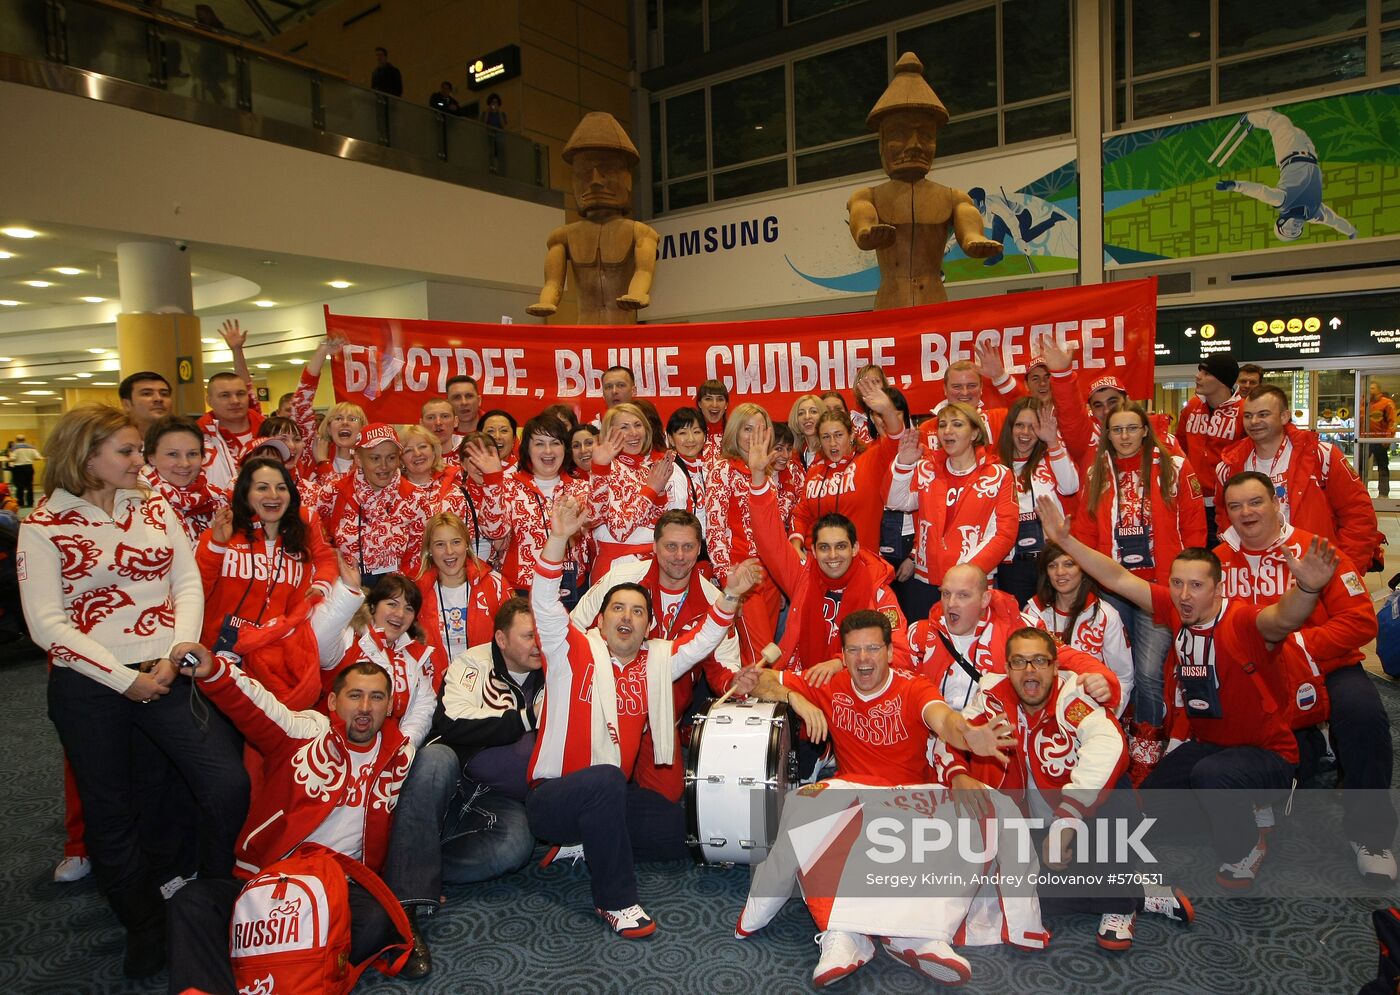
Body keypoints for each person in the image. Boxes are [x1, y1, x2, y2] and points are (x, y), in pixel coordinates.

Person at [19, 404, 248, 979]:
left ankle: (210, 893)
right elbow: (47, 626)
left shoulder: (150, 501)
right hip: (92, 686)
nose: (139, 460)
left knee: (223, 780)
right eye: (126, 450)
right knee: (112, 811)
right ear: (85, 456)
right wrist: (127, 679)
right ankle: (144, 925)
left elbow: (185, 577)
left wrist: (179, 649)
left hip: (166, 670)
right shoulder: (43, 526)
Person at [1038, 493, 1339, 888]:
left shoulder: (1243, 621)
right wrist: (1067, 540)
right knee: (1155, 807)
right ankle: (1241, 808)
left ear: (1217, 589)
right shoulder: (1176, 610)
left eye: (1196, 585)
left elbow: (1284, 617)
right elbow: (1116, 577)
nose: (1183, 594)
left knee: (1212, 778)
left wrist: (1307, 589)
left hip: (1268, 754)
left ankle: (1249, 843)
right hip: (1210, 744)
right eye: (1177, 583)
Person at [739, 610, 1029, 986]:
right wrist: (798, 699)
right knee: (806, 806)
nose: (864, 659)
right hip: (854, 790)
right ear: (842, 656)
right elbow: (757, 681)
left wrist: (967, 735)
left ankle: (924, 937)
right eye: (854, 651)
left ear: (890, 652)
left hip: (911, 795)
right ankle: (843, 935)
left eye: (873, 648)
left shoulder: (914, 686)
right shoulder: (831, 682)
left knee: (970, 818)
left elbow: (943, 719)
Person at [526, 496, 761, 937]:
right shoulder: (569, 651)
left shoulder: (656, 663)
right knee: (607, 780)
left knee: (677, 834)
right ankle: (616, 901)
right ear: (600, 618)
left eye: (638, 611)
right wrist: (557, 539)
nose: (627, 617)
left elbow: (701, 641)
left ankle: (586, 843)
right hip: (553, 799)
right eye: (618, 608)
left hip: (607, 797)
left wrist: (729, 595)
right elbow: (543, 603)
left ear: (648, 626)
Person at [166, 657, 421, 990]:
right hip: (268, 880)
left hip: (338, 888)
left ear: (389, 707)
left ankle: (279, 970)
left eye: (376, 698)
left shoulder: (401, 757)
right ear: (333, 701)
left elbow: (415, 827)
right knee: (192, 901)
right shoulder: (303, 733)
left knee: (375, 922)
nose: (364, 706)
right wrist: (214, 670)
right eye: (354, 695)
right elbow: (255, 704)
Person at [938, 628, 1194, 951]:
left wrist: (1067, 821)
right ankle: (1131, 890)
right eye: (1019, 662)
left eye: (1039, 661)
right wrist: (958, 774)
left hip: (1084, 818)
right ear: (1007, 668)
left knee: (1118, 797)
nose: (1030, 671)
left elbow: (1109, 744)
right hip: (1035, 826)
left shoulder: (1074, 696)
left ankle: (1119, 905)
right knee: (1020, 893)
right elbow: (947, 735)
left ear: (1055, 667)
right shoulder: (991, 697)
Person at [1215, 470, 1394, 880]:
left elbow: (1361, 622)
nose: (1246, 513)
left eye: (1255, 502)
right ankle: (1263, 804)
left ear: (1276, 503)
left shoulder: (1318, 551)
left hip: (1325, 668)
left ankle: (1371, 834)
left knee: (1364, 715)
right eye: (1235, 506)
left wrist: (1299, 647)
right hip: (1255, 677)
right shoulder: (1219, 561)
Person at [383, 597, 543, 978]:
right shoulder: (472, 662)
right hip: (452, 773)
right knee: (435, 760)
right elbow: (453, 723)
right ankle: (403, 909)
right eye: (529, 635)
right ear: (501, 639)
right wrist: (524, 719)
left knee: (516, 849)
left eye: (541, 633)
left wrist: (497, 725)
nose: (539, 642)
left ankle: (410, 865)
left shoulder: (556, 666)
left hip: (498, 795)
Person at [571, 509, 740, 802]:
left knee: (667, 807)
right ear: (655, 545)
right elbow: (574, 632)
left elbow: (724, 671)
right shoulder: (621, 578)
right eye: (670, 546)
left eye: (688, 547)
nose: (679, 555)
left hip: (661, 724)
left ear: (699, 549)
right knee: (591, 794)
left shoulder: (716, 603)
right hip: (605, 713)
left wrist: (738, 683)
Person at [1073, 403, 1205, 776]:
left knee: (1148, 672)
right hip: (1111, 587)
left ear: (1146, 431)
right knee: (1116, 668)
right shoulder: (1096, 472)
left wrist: (1187, 582)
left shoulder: (1176, 468)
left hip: (1157, 590)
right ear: (1108, 435)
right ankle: (1117, 742)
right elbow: (1084, 529)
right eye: (1118, 430)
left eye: (1133, 428)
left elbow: (1195, 527)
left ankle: (1148, 754)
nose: (1126, 436)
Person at [745, 420, 910, 675]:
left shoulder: (879, 591)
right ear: (813, 550)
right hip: (803, 688)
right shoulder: (803, 575)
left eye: (841, 546)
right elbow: (770, 541)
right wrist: (758, 478)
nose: (832, 556)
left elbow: (900, 654)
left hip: (855, 694)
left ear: (855, 548)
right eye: (823, 548)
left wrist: (841, 662)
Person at [847, 52, 1000, 310]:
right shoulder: (869, 195)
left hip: (933, 297)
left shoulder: (952, 197)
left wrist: (972, 237)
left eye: (926, 136)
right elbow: (862, 214)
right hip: (890, 300)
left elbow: (967, 215)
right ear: (882, 142)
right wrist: (866, 232)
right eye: (899, 134)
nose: (915, 145)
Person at [197, 456, 338, 709]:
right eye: (262, 487)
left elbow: (327, 559)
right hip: (217, 657)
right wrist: (216, 545)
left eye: (281, 487)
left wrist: (320, 588)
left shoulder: (300, 536)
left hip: (271, 663)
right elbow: (197, 591)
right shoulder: (222, 534)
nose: (273, 495)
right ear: (245, 494)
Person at [905, 563, 1121, 714]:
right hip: (934, 742)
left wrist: (1103, 679)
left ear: (984, 599)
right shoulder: (920, 634)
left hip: (996, 742)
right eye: (946, 594)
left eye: (963, 595)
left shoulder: (1018, 626)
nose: (951, 603)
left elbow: (1068, 657)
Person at [1217, 384, 1382, 572]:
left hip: (1314, 569)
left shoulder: (1321, 456)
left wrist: (1345, 570)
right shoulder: (1230, 465)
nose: (1254, 421)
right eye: (1248, 416)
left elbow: (1358, 516)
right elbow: (1224, 516)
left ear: (1284, 416)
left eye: (1263, 414)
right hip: (1259, 576)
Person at [888, 400, 1018, 622]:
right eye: (942, 425)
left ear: (975, 433)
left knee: (972, 649)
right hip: (925, 582)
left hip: (972, 585)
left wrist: (964, 576)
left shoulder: (999, 475)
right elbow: (898, 503)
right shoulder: (926, 467)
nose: (947, 431)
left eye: (957, 424)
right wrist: (904, 466)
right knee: (926, 648)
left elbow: (1004, 535)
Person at [525, 114, 660, 325]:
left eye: (607, 170)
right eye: (584, 172)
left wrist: (638, 293)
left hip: (622, 330)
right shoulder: (563, 236)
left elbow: (643, 271)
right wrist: (547, 301)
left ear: (627, 179)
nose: (595, 181)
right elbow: (553, 282)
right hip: (584, 330)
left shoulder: (639, 232)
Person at [315, 572, 438, 749]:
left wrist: (401, 748)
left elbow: (423, 709)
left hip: (388, 754)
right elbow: (318, 640)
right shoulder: (348, 638)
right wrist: (348, 590)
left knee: (439, 756)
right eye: (392, 604)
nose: (400, 614)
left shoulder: (415, 655)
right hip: (332, 747)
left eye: (409, 609)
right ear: (373, 607)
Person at [472, 418, 591, 602]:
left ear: (564, 448)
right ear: (527, 448)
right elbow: (494, 531)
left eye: (555, 443)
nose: (548, 451)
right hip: (522, 590)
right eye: (539, 444)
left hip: (573, 588)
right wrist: (493, 481)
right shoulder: (508, 486)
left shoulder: (582, 488)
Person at [790, 378, 905, 557]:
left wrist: (888, 410)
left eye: (838, 435)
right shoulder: (815, 471)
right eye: (826, 437)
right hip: (820, 567)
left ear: (851, 435)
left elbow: (897, 439)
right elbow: (802, 513)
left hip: (863, 566)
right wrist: (796, 545)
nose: (833, 443)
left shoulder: (871, 459)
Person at [704, 403, 782, 662]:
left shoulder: (768, 473)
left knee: (767, 654)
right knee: (757, 654)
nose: (754, 436)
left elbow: (775, 529)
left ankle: (763, 702)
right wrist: (728, 581)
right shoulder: (723, 469)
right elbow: (714, 527)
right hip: (741, 575)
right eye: (747, 429)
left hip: (770, 576)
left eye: (760, 429)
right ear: (734, 432)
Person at [1214, 108, 1358, 241]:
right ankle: (1260, 117)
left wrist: (1235, 185)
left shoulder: (1283, 202)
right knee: (1296, 131)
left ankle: (1251, 116)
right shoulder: (1314, 213)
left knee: (1279, 121)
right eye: (1296, 230)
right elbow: (1334, 220)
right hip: (1310, 153)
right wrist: (1351, 232)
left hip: (1289, 153)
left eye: (1289, 229)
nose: (1295, 227)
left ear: (1282, 221)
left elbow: (1260, 191)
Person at [1024, 541, 1133, 713]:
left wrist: (1108, 715)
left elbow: (1124, 678)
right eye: (1052, 566)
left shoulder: (1105, 615)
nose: (1060, 572)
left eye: (1069, 564)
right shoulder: (1032, 612)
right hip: (1042, 712)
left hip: (1092, 712)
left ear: (1084, 569)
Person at [314, 424, 427, 588]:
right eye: (374, 458)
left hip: (397, 594)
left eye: (391, 457)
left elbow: (420, 557)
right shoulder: (333, 493)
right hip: (345, 591)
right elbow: (316, 543)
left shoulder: (415, 498)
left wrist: (395, 593)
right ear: (359, 459)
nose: (384, 466)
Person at [994, 397, 1078, 606]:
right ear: (1010, 428)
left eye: (1033, 427)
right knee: (1020, 625)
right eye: (1020, 425)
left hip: (1051, 559)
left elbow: (1070, 486)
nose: (1025, 433)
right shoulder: (995, 466)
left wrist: (1052, 442)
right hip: (1012, 563)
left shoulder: (1052, 458)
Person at [587, 402, 680, 577]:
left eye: (638, 425)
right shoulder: (608, 468)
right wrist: (652, 490)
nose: (634, 433)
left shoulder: (645, 469)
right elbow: (620, 530)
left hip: (650, 563)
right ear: (609, 433)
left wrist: (659, 494)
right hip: (619, 567)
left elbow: (656, 524)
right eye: (624, 427)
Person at [414, 511, 508, 678]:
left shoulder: (494, 585)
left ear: (467, 544)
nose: (449, 551)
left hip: (488, 686)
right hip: (433, 691)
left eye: (456, 542)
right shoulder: (416, 592)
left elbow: (513, 640)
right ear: (429, 550)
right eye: (440, 544)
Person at [1179, 355, 1245, 544]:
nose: (1198, 376)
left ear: (1223, 380)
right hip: (1191, 501)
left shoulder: (1243, 411)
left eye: (1206, 373)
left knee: (1222, 558)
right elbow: (1180, 447)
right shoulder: (1192, 406)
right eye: (1200, 370)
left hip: (1226, 504)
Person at [138, 416, 227, 544]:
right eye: (173, 454)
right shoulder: (137, 502)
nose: (184, 463)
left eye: (192, 454)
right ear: (151, 457)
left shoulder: (218, 499)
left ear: (203, 457)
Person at [199, 320, 264, 492]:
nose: (235, 401)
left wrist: (237, 351)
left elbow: (247, 384)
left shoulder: (265, 430)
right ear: (209, 401)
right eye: (225, 395)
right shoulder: (200, 437)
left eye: (240, 394)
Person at [917, 358, 1008, 452]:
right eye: (957, 387)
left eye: (971, 386)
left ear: (981, 387)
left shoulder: (1000, 419)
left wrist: (1002, 378)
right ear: (945, 389)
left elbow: (1022, 406)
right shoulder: (926, 429)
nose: (965, 392)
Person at [665, 406, 709, 529]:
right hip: (685, 541)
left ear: (704, 436)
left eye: (696, 432)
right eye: (682, 433)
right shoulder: (672, 472)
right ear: (671, 439)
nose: (690, 439)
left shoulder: (706, 469)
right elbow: (676, 522)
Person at [1367, 381, 1396, 499]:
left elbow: (1392, 422)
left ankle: (1383, 493)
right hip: (1364, 440)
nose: (1370, 390)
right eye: (1369, 388)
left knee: (1382, 467)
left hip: (1380, 440)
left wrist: (1387, 439)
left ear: (1378, 390)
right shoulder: (1364, 403)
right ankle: (1359, 490)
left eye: (1372, 388)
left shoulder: (1386, 403)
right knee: (1360, 467)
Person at [788, 393, 824, 470]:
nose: (807, 417)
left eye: (813, 411)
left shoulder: (831, 452)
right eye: (801, 413)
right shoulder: (792, 456)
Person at [695, 379, 728, 457]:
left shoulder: (735, 434)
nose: (714, 405)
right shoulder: (688, 435)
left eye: (720, 399)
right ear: (699, 404)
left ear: (726, 405)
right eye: (708, 399)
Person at [420, 397, 458, 464]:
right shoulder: (415, 457)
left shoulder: (471, 451)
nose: (438, 423)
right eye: (430, 417)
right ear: (422, 424)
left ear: (455, 421)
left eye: (445, 416)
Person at [446, 375, 482, 444]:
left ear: (479, 400)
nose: (464, 402)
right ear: (448, 404)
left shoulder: (494, 429)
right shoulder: (438, 434)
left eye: (469, 396)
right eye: (457, 397)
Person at [7, 433, 39, 507]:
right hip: (29, 467)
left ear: (16, 440)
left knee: (19, 487)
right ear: (24, 439)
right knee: (29, 486)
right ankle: (30, 503)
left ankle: (21, 503)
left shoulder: (14, 448)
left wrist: (8, 460)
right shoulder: (31, 447)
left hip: (18, 469)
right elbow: (37, 457)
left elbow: (13, 458)